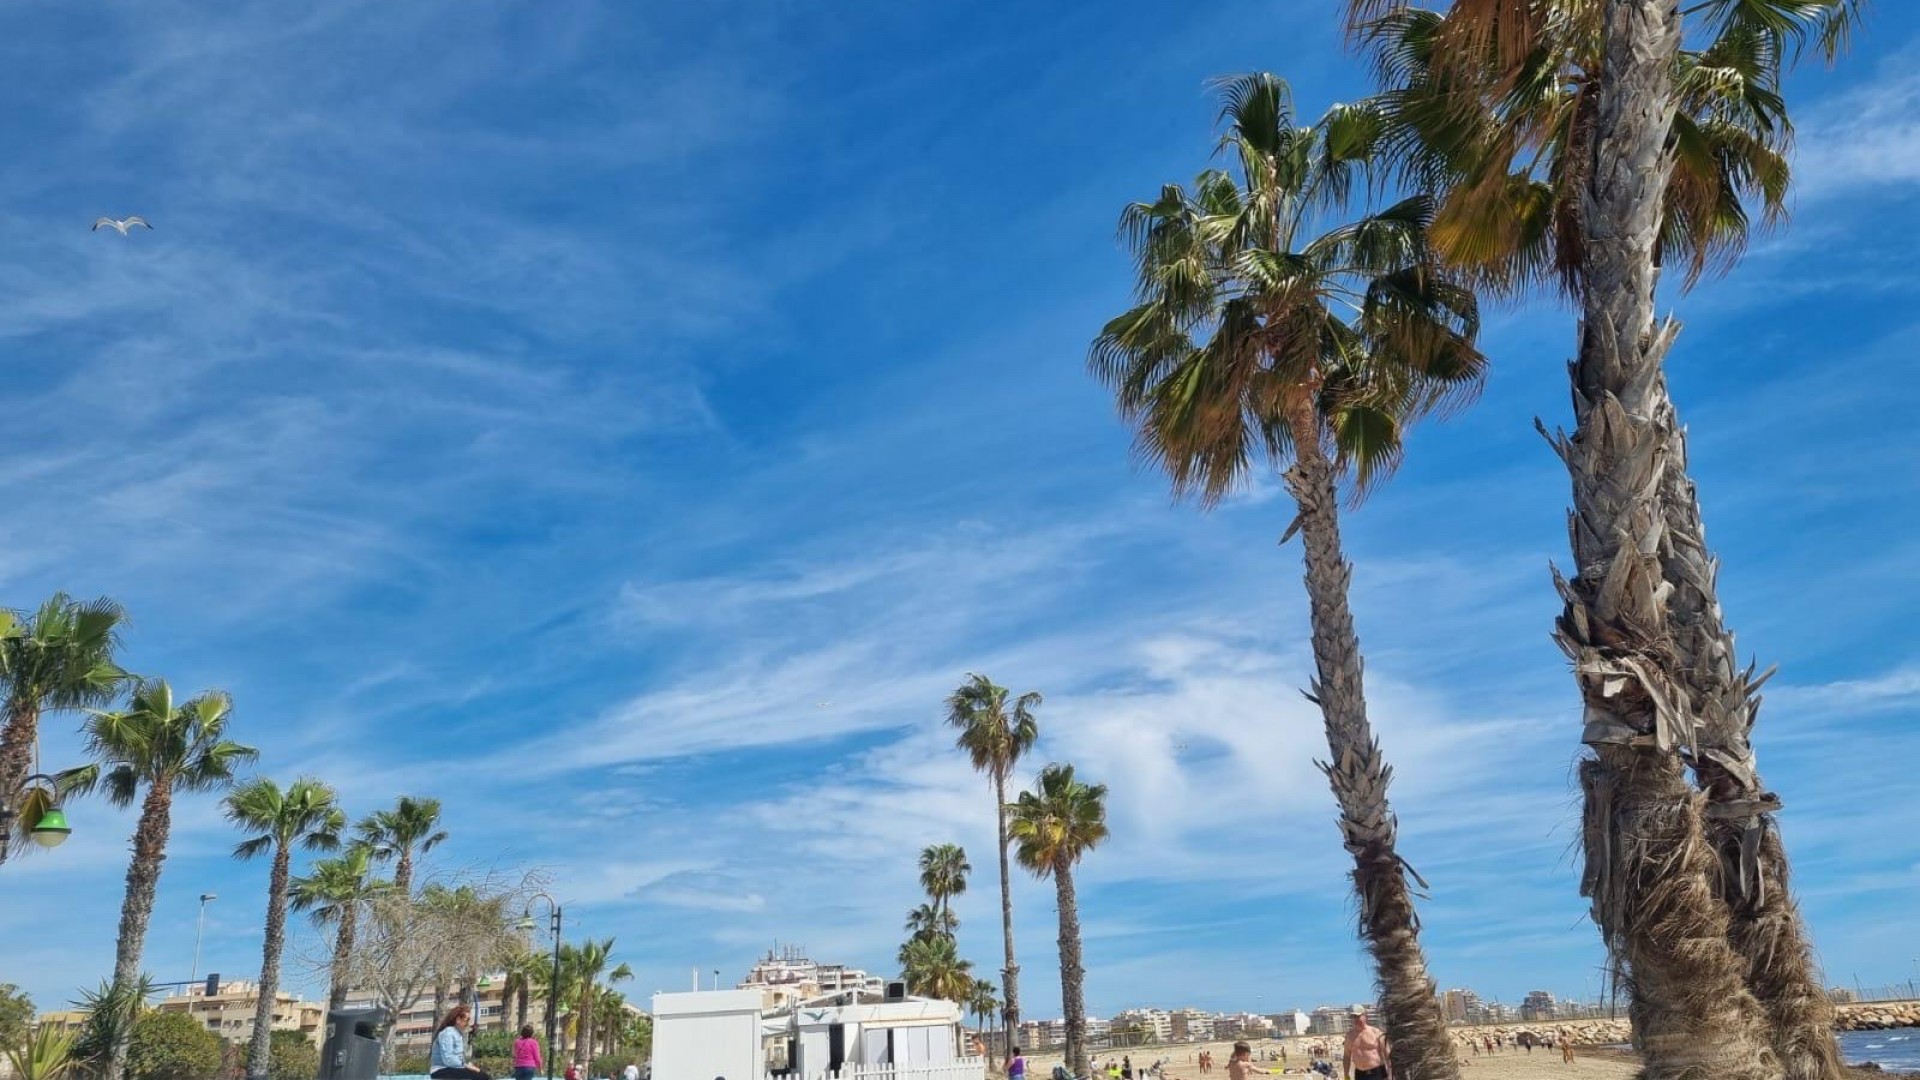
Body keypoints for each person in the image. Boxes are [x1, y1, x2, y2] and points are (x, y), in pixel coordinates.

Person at [430, 1006, 490, 1080]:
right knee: (481, 1077)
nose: (468, 1023)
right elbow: (448, 1059)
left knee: (482, 1075)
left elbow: (458, 1058)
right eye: (467, 1020)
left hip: (450, 1069)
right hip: (440, 1070)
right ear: (458, 1020)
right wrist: (465, 1065)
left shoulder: (457, 1034)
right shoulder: (448, 1033)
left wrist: (468, 1065)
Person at [1341, 1007, 1389, 1080]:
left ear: (1365, 1016)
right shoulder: (1349, 1036)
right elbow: (1347, 1057)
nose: (1356, 1019)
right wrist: (1346, 1075)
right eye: (1353, 1017)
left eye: (1358, 1016)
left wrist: (1390, 1072)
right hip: (1360, 1074)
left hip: (1378, 1072)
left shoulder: (1376, 1032)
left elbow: (1387, 1054)